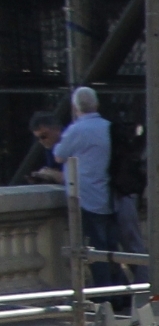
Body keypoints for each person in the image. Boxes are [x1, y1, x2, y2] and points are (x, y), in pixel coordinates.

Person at [51, 88, 116, 292]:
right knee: (111, 248)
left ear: (75, 107)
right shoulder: (108, 127)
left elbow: (59, 155)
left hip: (85, 195)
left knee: (95, 249)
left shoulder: (77, 130)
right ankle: (120, 291)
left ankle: (105, 293)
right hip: (108, 192)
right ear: (96, 105)